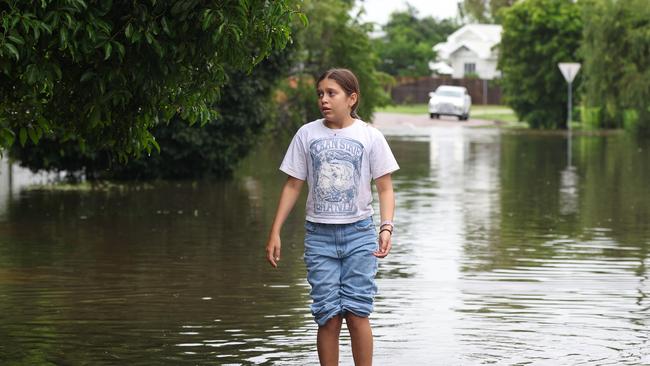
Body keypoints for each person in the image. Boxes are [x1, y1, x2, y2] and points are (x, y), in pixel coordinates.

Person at [265, 68, 399, 366]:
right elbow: (293, 184)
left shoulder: (369, 136)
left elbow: (385, 188)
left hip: (360, 234)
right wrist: (275, 231)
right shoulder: (307, 134)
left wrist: (386, 227)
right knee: (327, 317)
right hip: (319, 237)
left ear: (352, 98)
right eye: (320, 94)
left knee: (357, 313)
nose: (323, 100)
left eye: (331, 93)